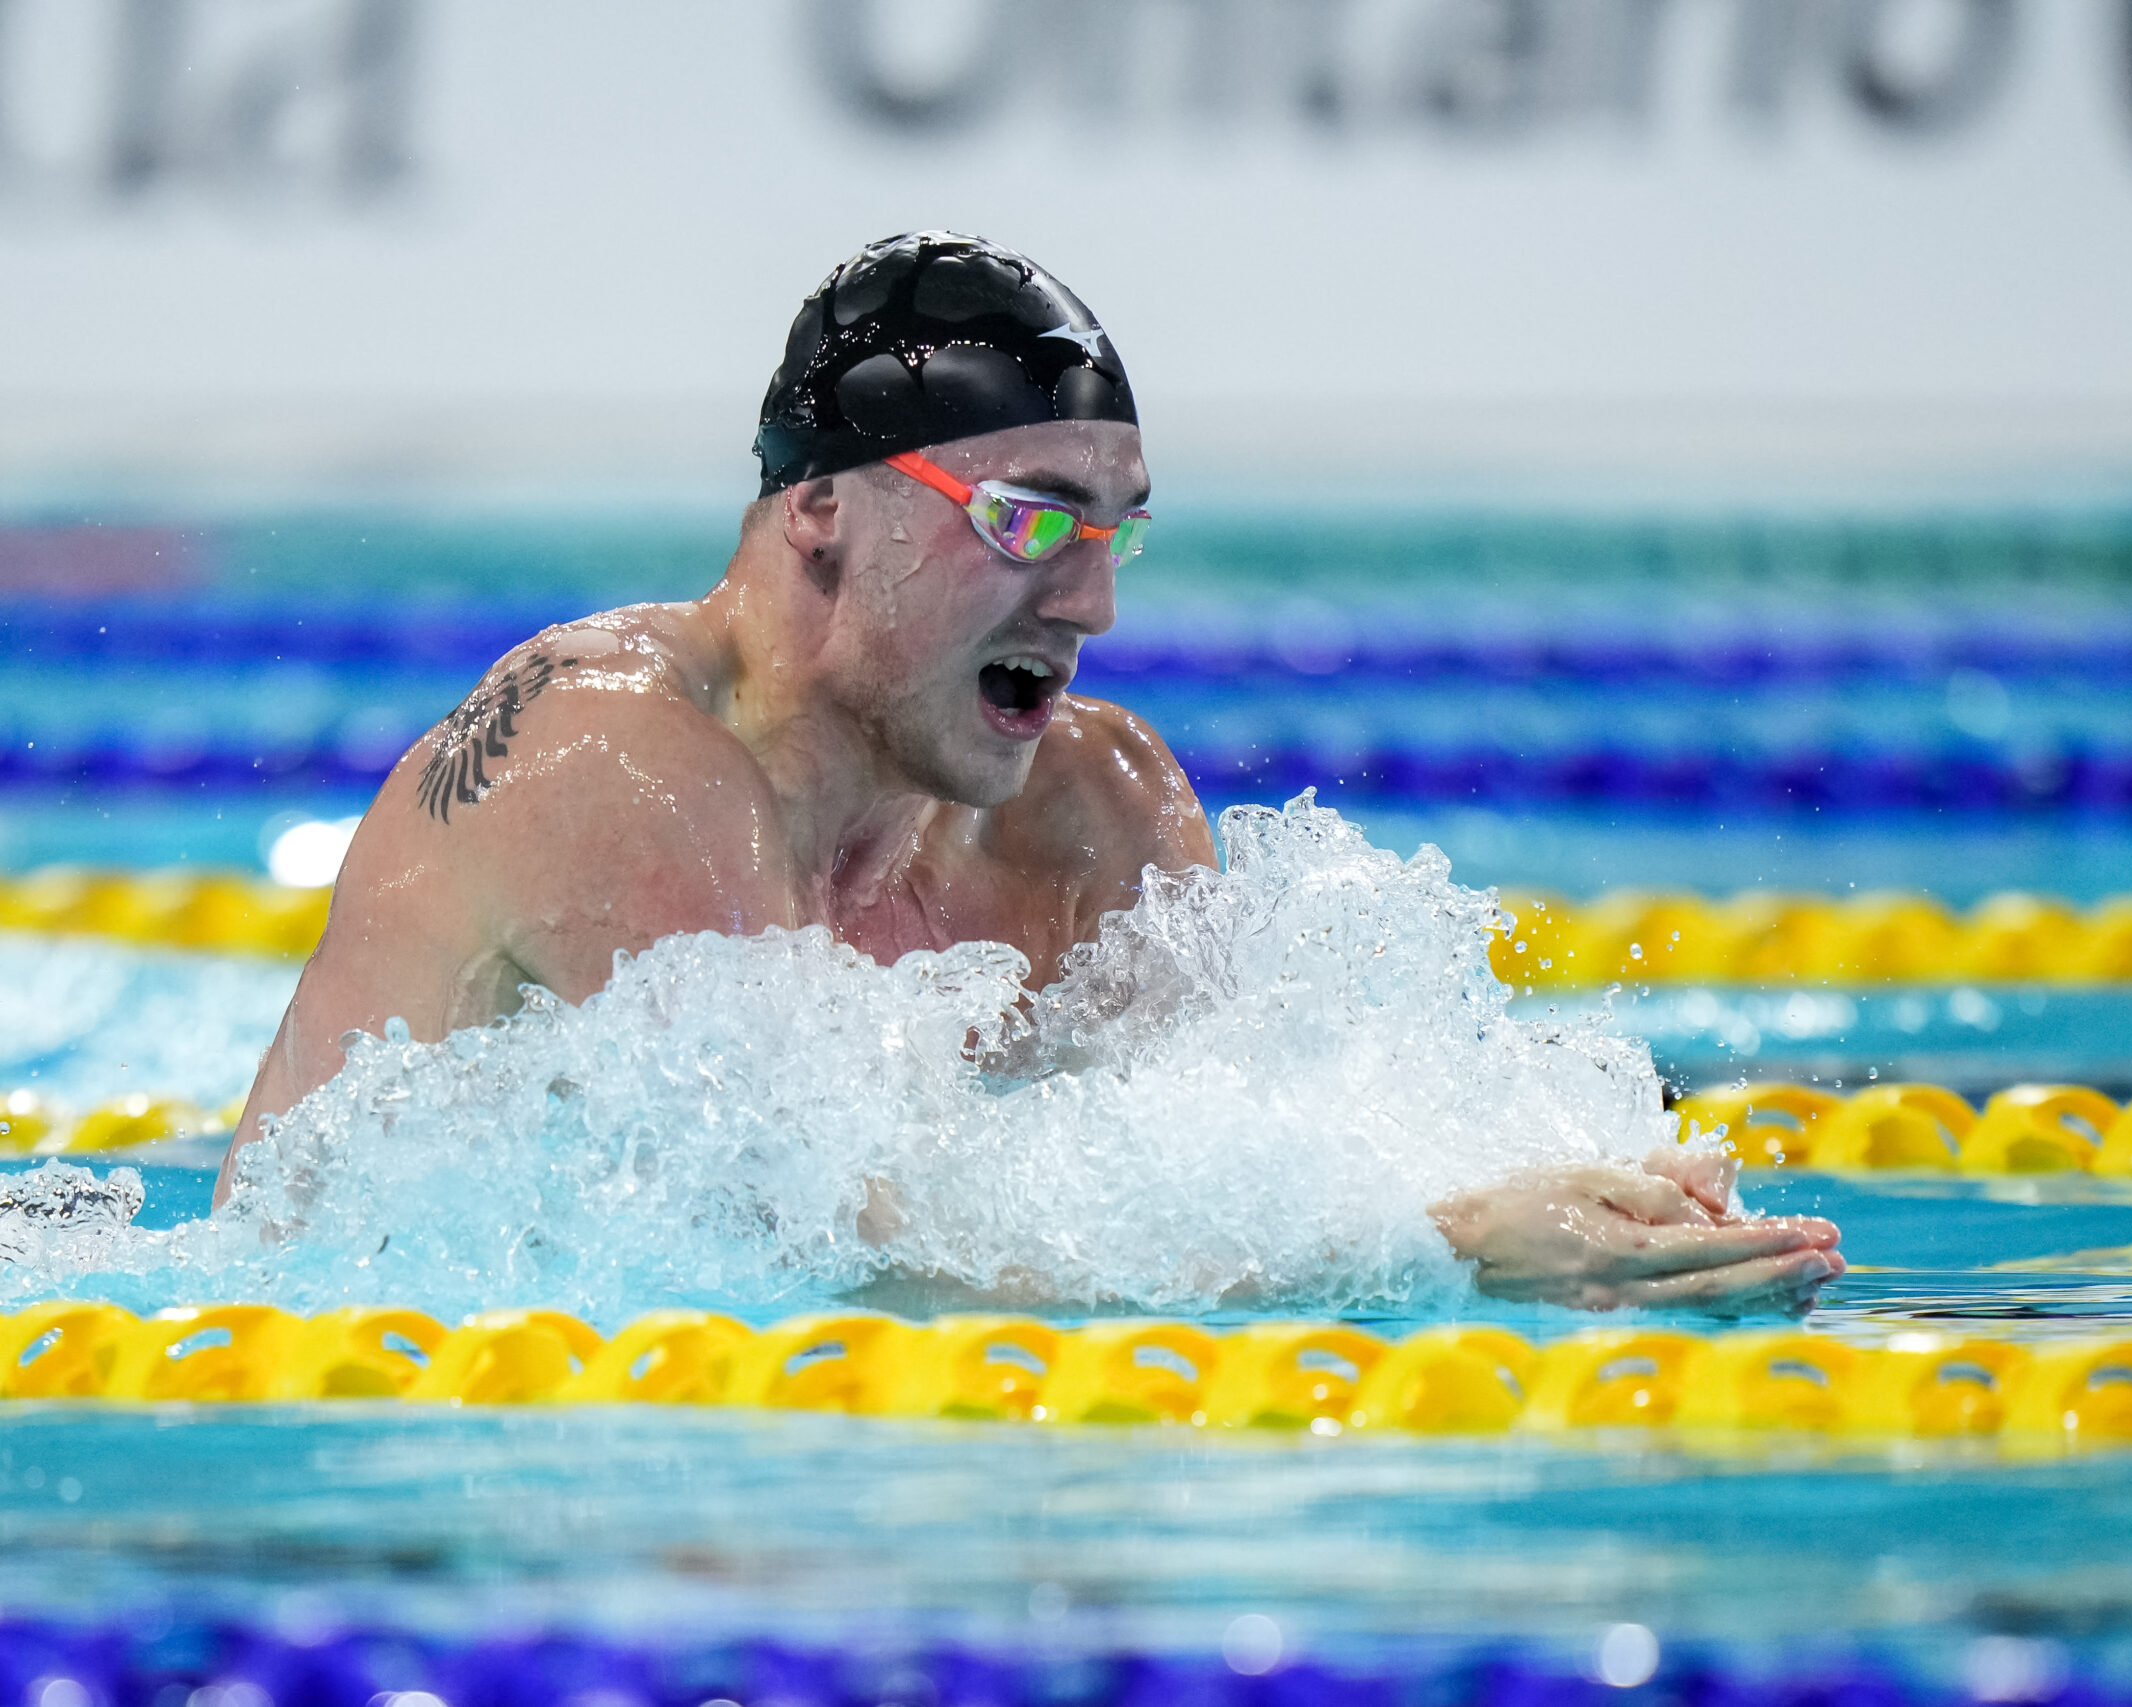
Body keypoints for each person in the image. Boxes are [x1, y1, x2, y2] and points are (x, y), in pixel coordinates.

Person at [218, 232, 1845, 1311]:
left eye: (1115, 527)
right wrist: (1443, 1250)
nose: (1093, 601)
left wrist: (1565, 1186)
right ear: (822, 516)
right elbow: (849, 1246)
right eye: (1030, 518)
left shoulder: (1091, 811)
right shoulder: (605, 759)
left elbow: (1235, 1142)